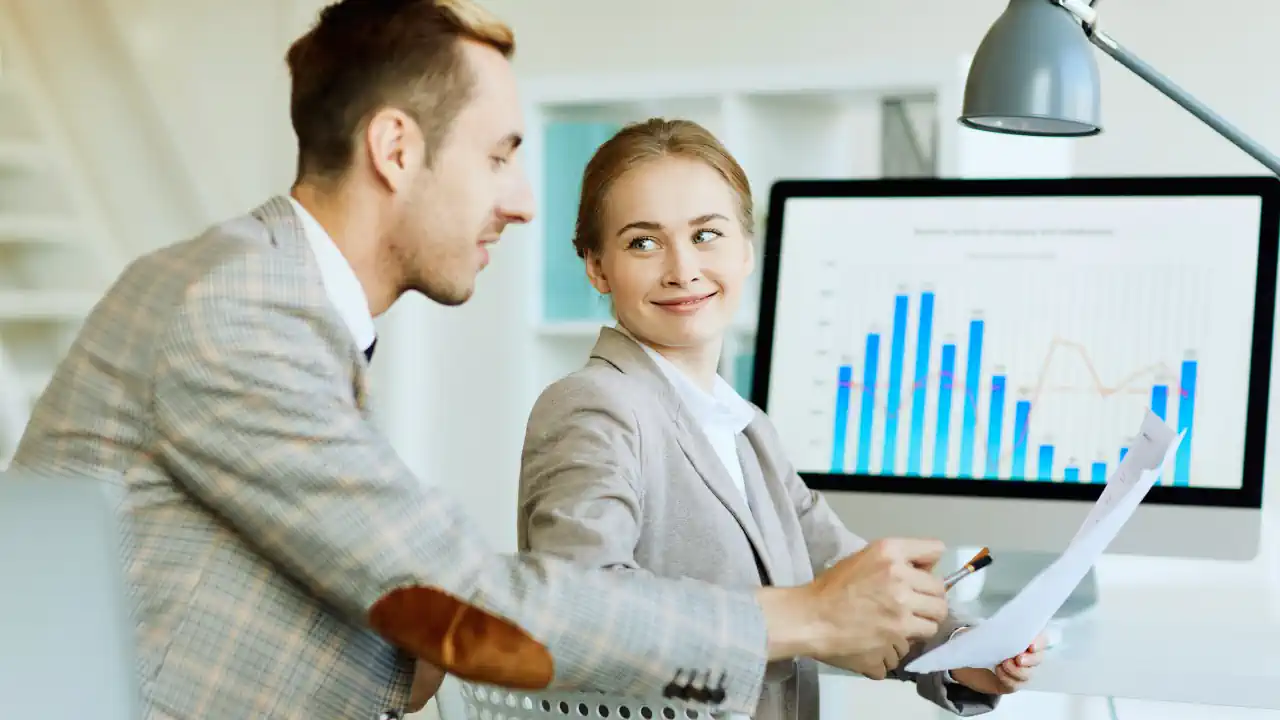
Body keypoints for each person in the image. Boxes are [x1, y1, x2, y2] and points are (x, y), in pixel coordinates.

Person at [9, 2, 965, 719]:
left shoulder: (273, 299)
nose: (522, 201)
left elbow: (405, 593)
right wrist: (802, 619)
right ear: (396, 148)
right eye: (499, 156)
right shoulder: (240, 309)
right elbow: (460, 604)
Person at [518, 118, 1047, 719]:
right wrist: (813, 619)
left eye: (706, 235)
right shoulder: (594, 404)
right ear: (597, 267)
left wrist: (969, 652)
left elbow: (846, 580)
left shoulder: (744, 430)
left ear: (747, 251)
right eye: (643, 242)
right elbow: (583, 608)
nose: (682, 269)